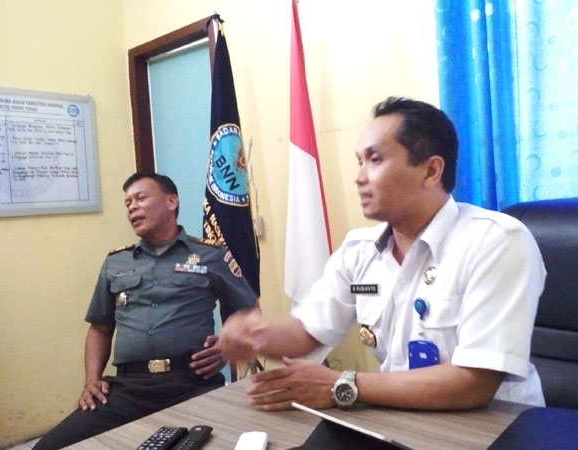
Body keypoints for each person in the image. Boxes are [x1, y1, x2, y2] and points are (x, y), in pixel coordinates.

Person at [219, 97, 546, 411]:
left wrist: (341, 385)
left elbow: (475, 383)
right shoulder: (359, 251)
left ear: (431, 171)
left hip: (493, 429)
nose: (359, 177)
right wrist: (256, 337)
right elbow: (307, 331)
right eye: (360, 161)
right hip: (398, 416)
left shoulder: (497, 241)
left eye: (375, 160)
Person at [34, 173, 257, 449]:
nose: (132, 207)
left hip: (192, 383)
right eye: (127, 203)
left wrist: (227, 347)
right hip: (129, 388)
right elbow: (100, 328)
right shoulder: (116, 262)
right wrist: (91, 380)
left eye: (140, 198)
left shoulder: (211, 255)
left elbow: (251, 313)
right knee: (48, 446)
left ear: (171, 201)